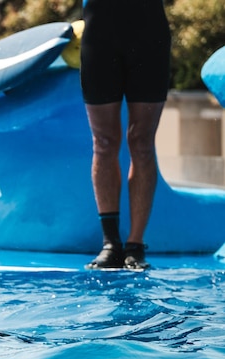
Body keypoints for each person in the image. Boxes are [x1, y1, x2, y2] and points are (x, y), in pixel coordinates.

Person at [80, 0, 171, 270]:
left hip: (148, 30)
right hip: (100, 29)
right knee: (104, 141)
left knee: (141, 142)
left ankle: (135, 245)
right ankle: (110, 243)